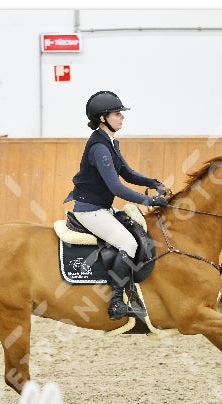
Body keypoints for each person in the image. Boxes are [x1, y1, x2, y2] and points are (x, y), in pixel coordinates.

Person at [65, 91, 169, 320]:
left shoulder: (109, 143)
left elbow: (128, 174)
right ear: (103, 118)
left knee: (135, 229)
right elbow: (116, 188)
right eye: (117, 113)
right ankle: (116, 304)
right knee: (128, 243)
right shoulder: (99, 148)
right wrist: (149, 201)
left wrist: (152, 183)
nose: (122, 117)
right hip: (90, 210)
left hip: (100, 207)